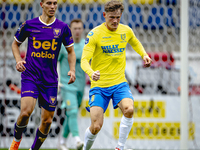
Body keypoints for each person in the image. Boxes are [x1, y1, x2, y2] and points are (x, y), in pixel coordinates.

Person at [80, 1, 152, 150]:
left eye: (118, 17)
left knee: (129, 109)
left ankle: (120, 147)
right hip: (99, 86)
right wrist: (91, 73)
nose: (115, 21)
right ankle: (85, 148)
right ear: (104, 15)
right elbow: (84, 61)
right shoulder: (95, 34)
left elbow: (135, 42)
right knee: (96, 126)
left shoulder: (126, 31)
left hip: (119, 83)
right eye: (112, 17)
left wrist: (144, 55)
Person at [9, 0, 76, 150]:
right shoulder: (29, 25)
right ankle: (15, 142)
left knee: (47, 122)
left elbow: (71, 51)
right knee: (26, 112)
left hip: (50, 80)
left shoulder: (63, 28)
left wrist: (72, 69)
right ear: (41, 4)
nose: (52, 6)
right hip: (30, 76)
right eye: (49, 3)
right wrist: (19, 60)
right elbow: (15, 44)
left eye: (55, 3)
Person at [58, 19, 85, 150]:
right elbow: (55, 62)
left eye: (80, 28)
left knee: (71, 114)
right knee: (72, 111)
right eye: (75, 28)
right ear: (70, 29)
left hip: (80, 87)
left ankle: (62, 142)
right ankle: (77, 140)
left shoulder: (86, 46)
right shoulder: (64, 45)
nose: (77, 31)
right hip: (66, 84)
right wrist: (56, 80)